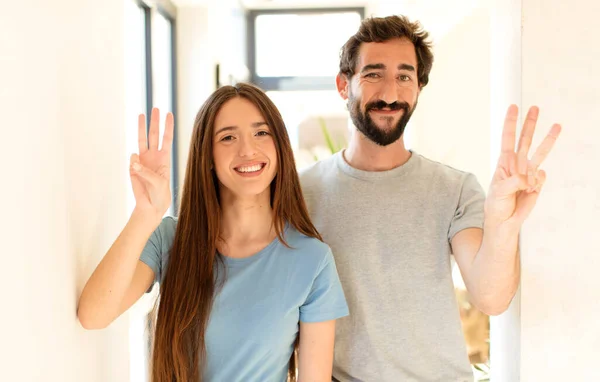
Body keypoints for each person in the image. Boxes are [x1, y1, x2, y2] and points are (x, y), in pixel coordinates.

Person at [299, 15, 561, 381]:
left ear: (419, 87)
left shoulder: (454, 188)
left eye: (405, 77)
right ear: (345, 85)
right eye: (374, 74)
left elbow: (490, 297)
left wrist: (504, 224)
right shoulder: (300, 193)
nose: (391, 94)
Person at [77, 83, 349, 382]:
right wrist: (146, 214)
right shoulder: (170, 238)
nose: (247, 149)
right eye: (228, 137)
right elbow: (93, 315)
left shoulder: (312, 260)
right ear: (207, 155)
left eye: (261, 133)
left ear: (280, 147)